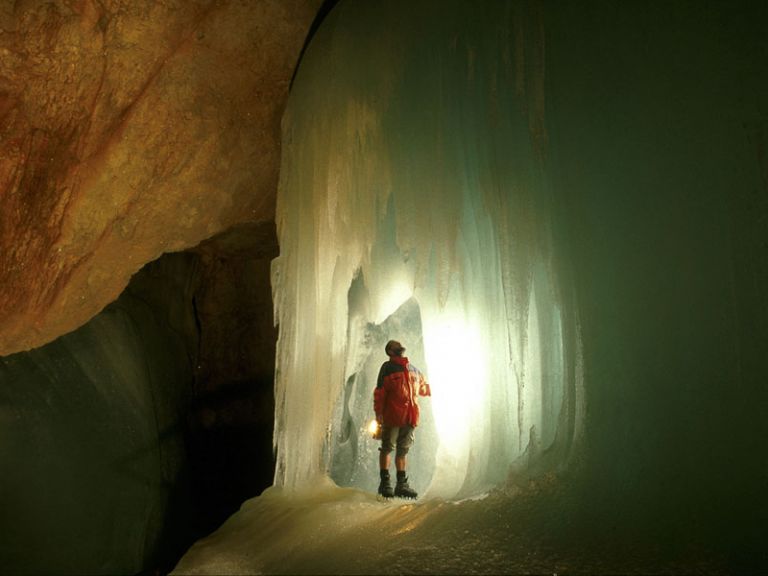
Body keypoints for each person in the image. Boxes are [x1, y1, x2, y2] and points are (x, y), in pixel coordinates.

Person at [373, 339, 431, 498]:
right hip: (392, 416)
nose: (399, 347)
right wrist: (379, 414)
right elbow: (380, 393)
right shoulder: (387, 368)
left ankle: (401, 484)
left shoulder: (411, 368)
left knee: (403, 450)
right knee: (387, 447)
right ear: (390, 351)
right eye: (395, 346)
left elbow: (424, 387)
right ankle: (385, 483)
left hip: (409, 417)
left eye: (399, 345)